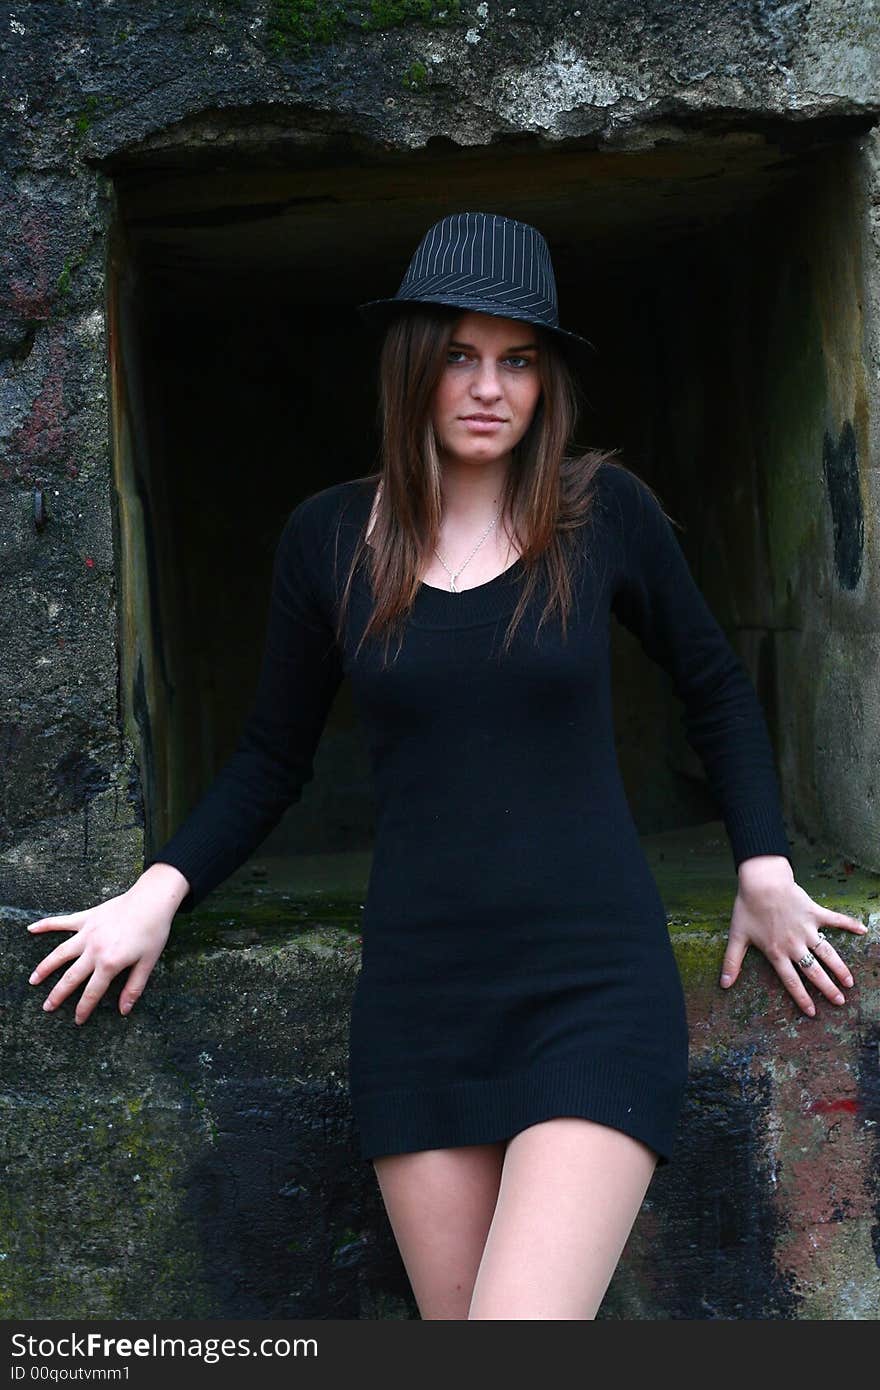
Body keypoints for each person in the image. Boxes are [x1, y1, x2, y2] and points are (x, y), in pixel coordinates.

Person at [24, 212, 867, 1320]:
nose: (488, 386)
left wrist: (762, 863)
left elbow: (713, 684)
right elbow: (271, 756)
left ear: (547, 381)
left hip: (590, 989)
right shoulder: (326, 540)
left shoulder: (602, 513)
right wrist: (156, 892)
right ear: (413, 366)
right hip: (419, 1003)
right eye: (461, 356)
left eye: (518, 360)